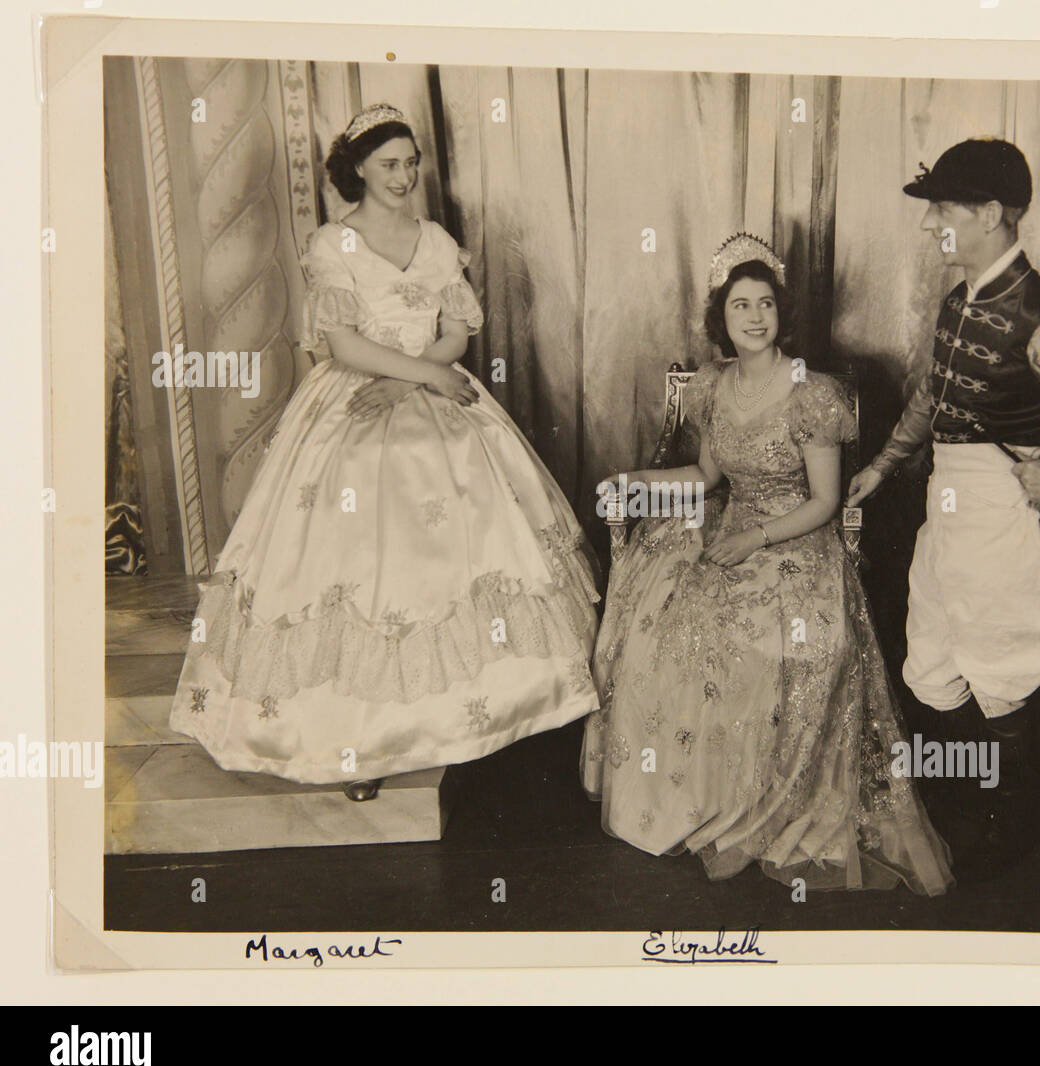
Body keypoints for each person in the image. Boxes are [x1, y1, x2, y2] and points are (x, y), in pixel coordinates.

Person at [169, 104, 600, 800]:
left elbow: (455, 335)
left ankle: (476, 721)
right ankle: (358, 744)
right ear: (359, 168)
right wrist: (419, 376)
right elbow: (344, 347)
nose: (405, 176)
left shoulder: (434, 240)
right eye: (391, 164)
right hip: (351, 398)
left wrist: (422, 379)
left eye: (412, 163)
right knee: (353, 559)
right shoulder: (333, 245)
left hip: (426, 389)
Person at [581, 233, 953, 894]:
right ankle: (687, 800)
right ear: (720, 319)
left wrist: (755, 542)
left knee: (764, 642)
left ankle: (766, 807)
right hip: (731, 524)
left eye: (764, 305)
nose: (753, 317)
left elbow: (827, 501)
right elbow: (703, 474)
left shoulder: (812, 393)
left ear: (782, 314)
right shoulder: (714, 387)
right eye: (739, 306)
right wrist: (634, 476)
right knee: (667, 628)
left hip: (796, 540)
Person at [847, 137, 1040, 858]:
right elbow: (935, 392)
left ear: (990, 212)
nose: (931, 225)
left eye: (943, 210)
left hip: (999, 511)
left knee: (998, 659)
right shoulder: (962, 298)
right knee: (936, 654)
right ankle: (979, 796)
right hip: (947, 501)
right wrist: (885, 463)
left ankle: (1014, 813)